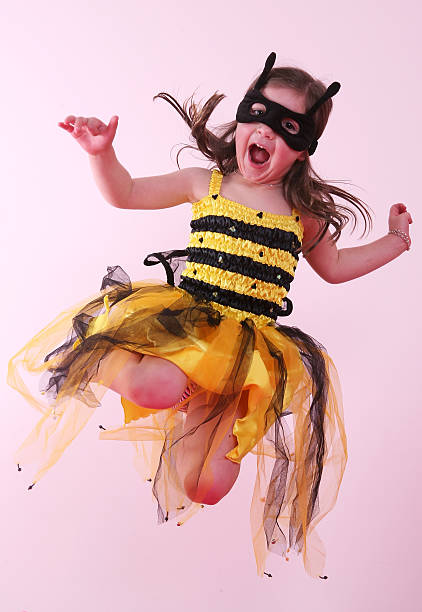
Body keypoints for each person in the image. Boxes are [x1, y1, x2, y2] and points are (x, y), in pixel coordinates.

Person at [8, 52, 412, 579]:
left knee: (206, 488)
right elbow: (126, 194)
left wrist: (396, 242)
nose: (266, 131)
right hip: (187, 329)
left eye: (286, 127)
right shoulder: (206, 183)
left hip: (244, 362)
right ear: (243, 120)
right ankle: (94, 351)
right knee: (151, 388)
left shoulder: (304, 217)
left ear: (303, 147)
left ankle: (199, 412)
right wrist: (101, 154)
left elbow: (335, 268)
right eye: (259, 115)